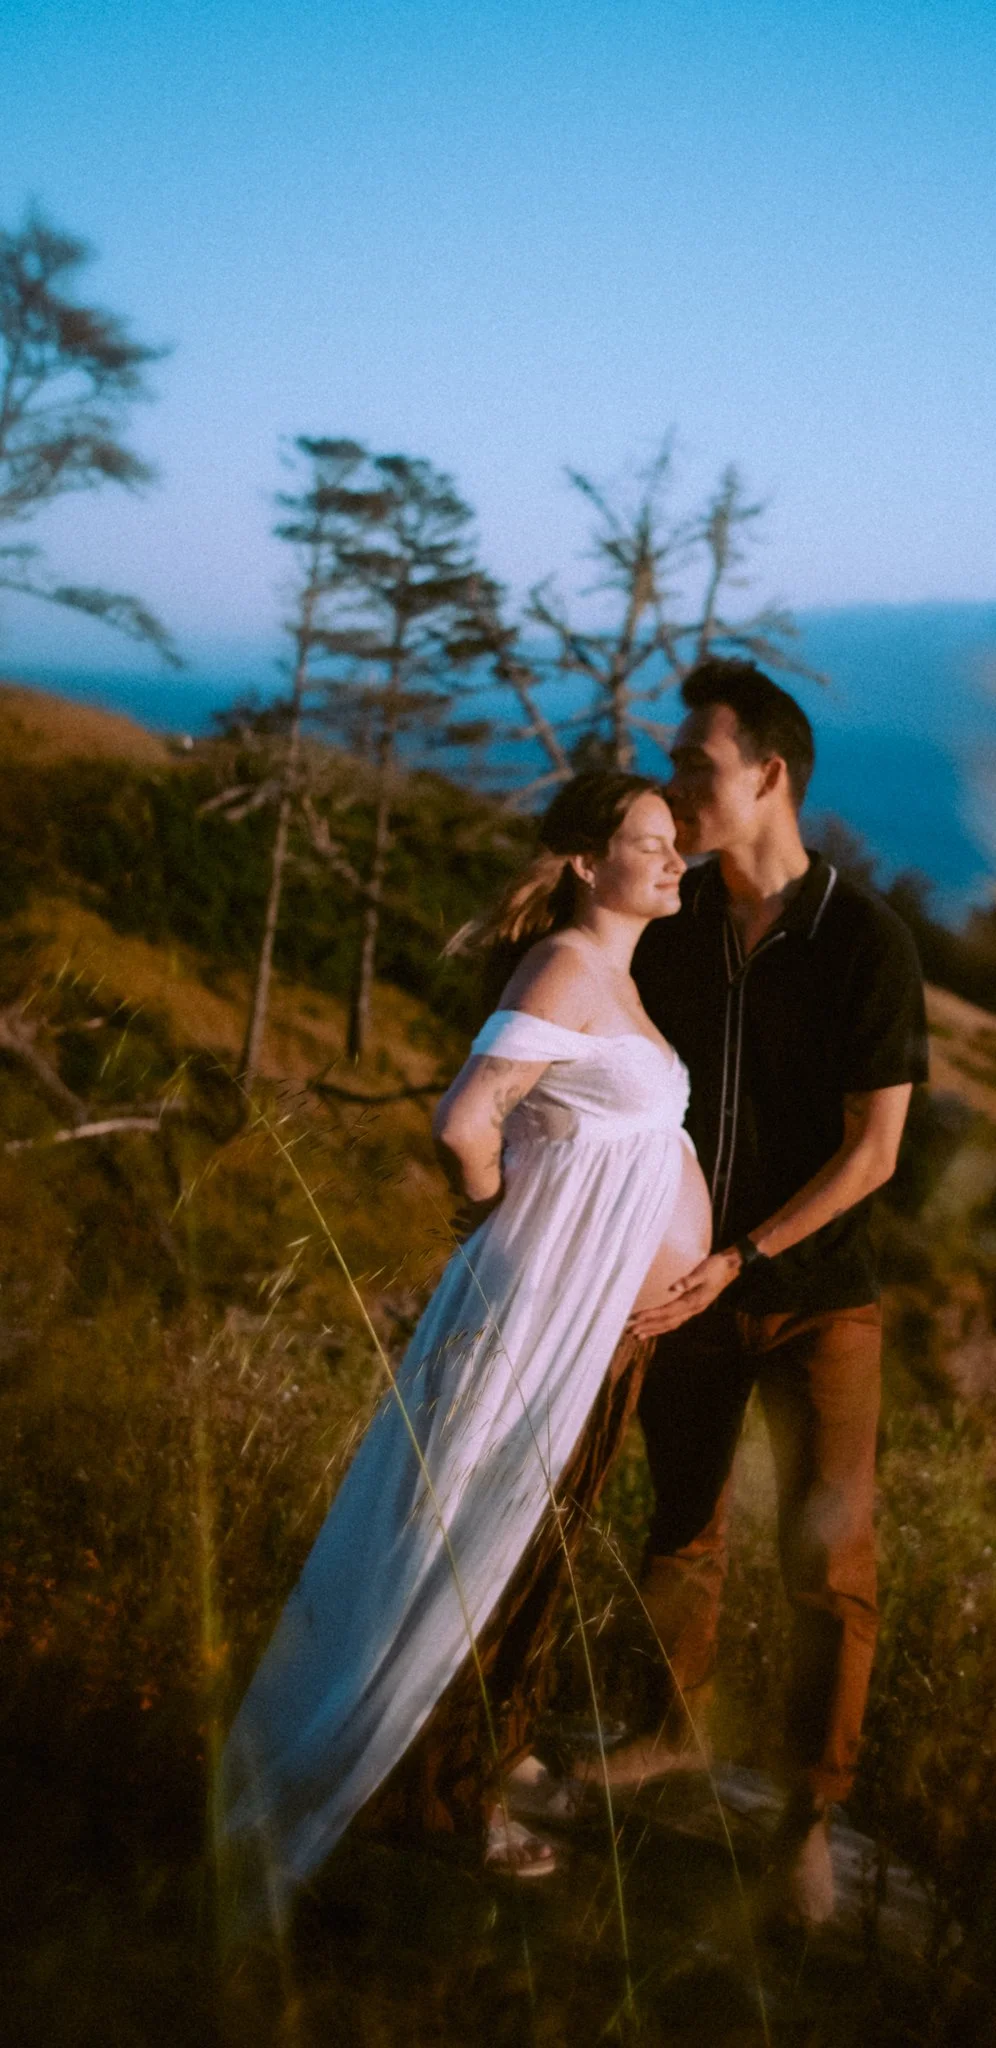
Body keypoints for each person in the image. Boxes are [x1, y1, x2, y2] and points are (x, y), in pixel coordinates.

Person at [219, 771, 709, 1919]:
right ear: (586, 861)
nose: (674, 857)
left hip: (600, 1325)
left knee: (534, 1543)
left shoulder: (617, 977)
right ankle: (434, 1799)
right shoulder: (568, 965)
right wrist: (499, 1219)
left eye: (675, 840)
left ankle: (474, 1758)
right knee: (486, 1542)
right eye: (650, 840)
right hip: (547, 1314)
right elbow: (465, 1118)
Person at [593, 659, 929, 1929]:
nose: (675, 783)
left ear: (770, 774)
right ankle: (666, 1733)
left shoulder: (865, 939)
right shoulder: (673, 923)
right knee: (682, 1524)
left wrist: (745, 1254)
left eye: (697, 762)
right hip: (684, 1287)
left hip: (818, 1296)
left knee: (827, 1562)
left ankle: (809, 1819)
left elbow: (875, 1151)